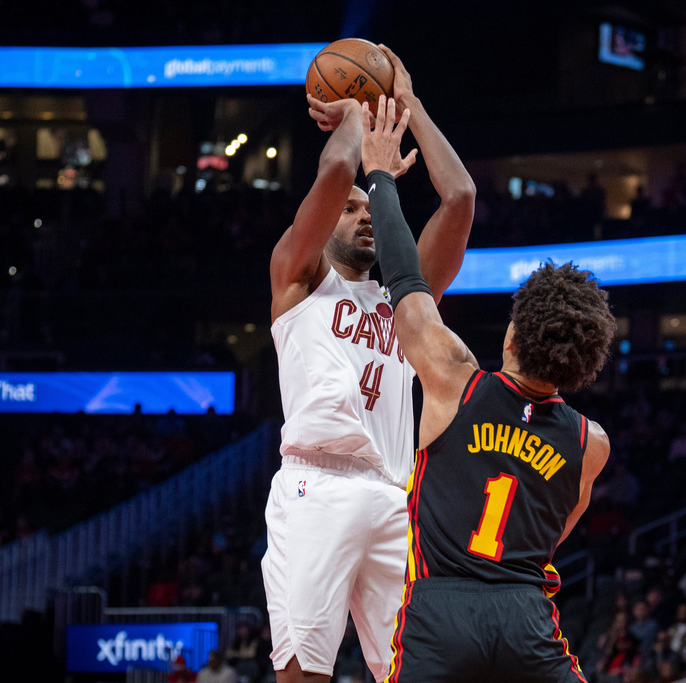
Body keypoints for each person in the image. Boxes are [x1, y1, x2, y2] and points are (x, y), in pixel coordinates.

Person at [360, 95, 615, 681]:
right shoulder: (590, 442)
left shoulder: (454, 378)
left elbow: (404, 278)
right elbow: (551, 533)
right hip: (526, 617)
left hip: (438, 610)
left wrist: (380, 173)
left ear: (512, 335)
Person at [263, 44, 476, 683]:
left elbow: (460, 197)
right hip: (314, 485)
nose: (362, 217)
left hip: (392, 494)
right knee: (304, 675)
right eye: (351, 209)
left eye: (369, 207)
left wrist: (405, 102)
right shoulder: (296, 282)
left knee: (417, 673)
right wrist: (358, 114)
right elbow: (333, 173)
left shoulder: (406, 301)